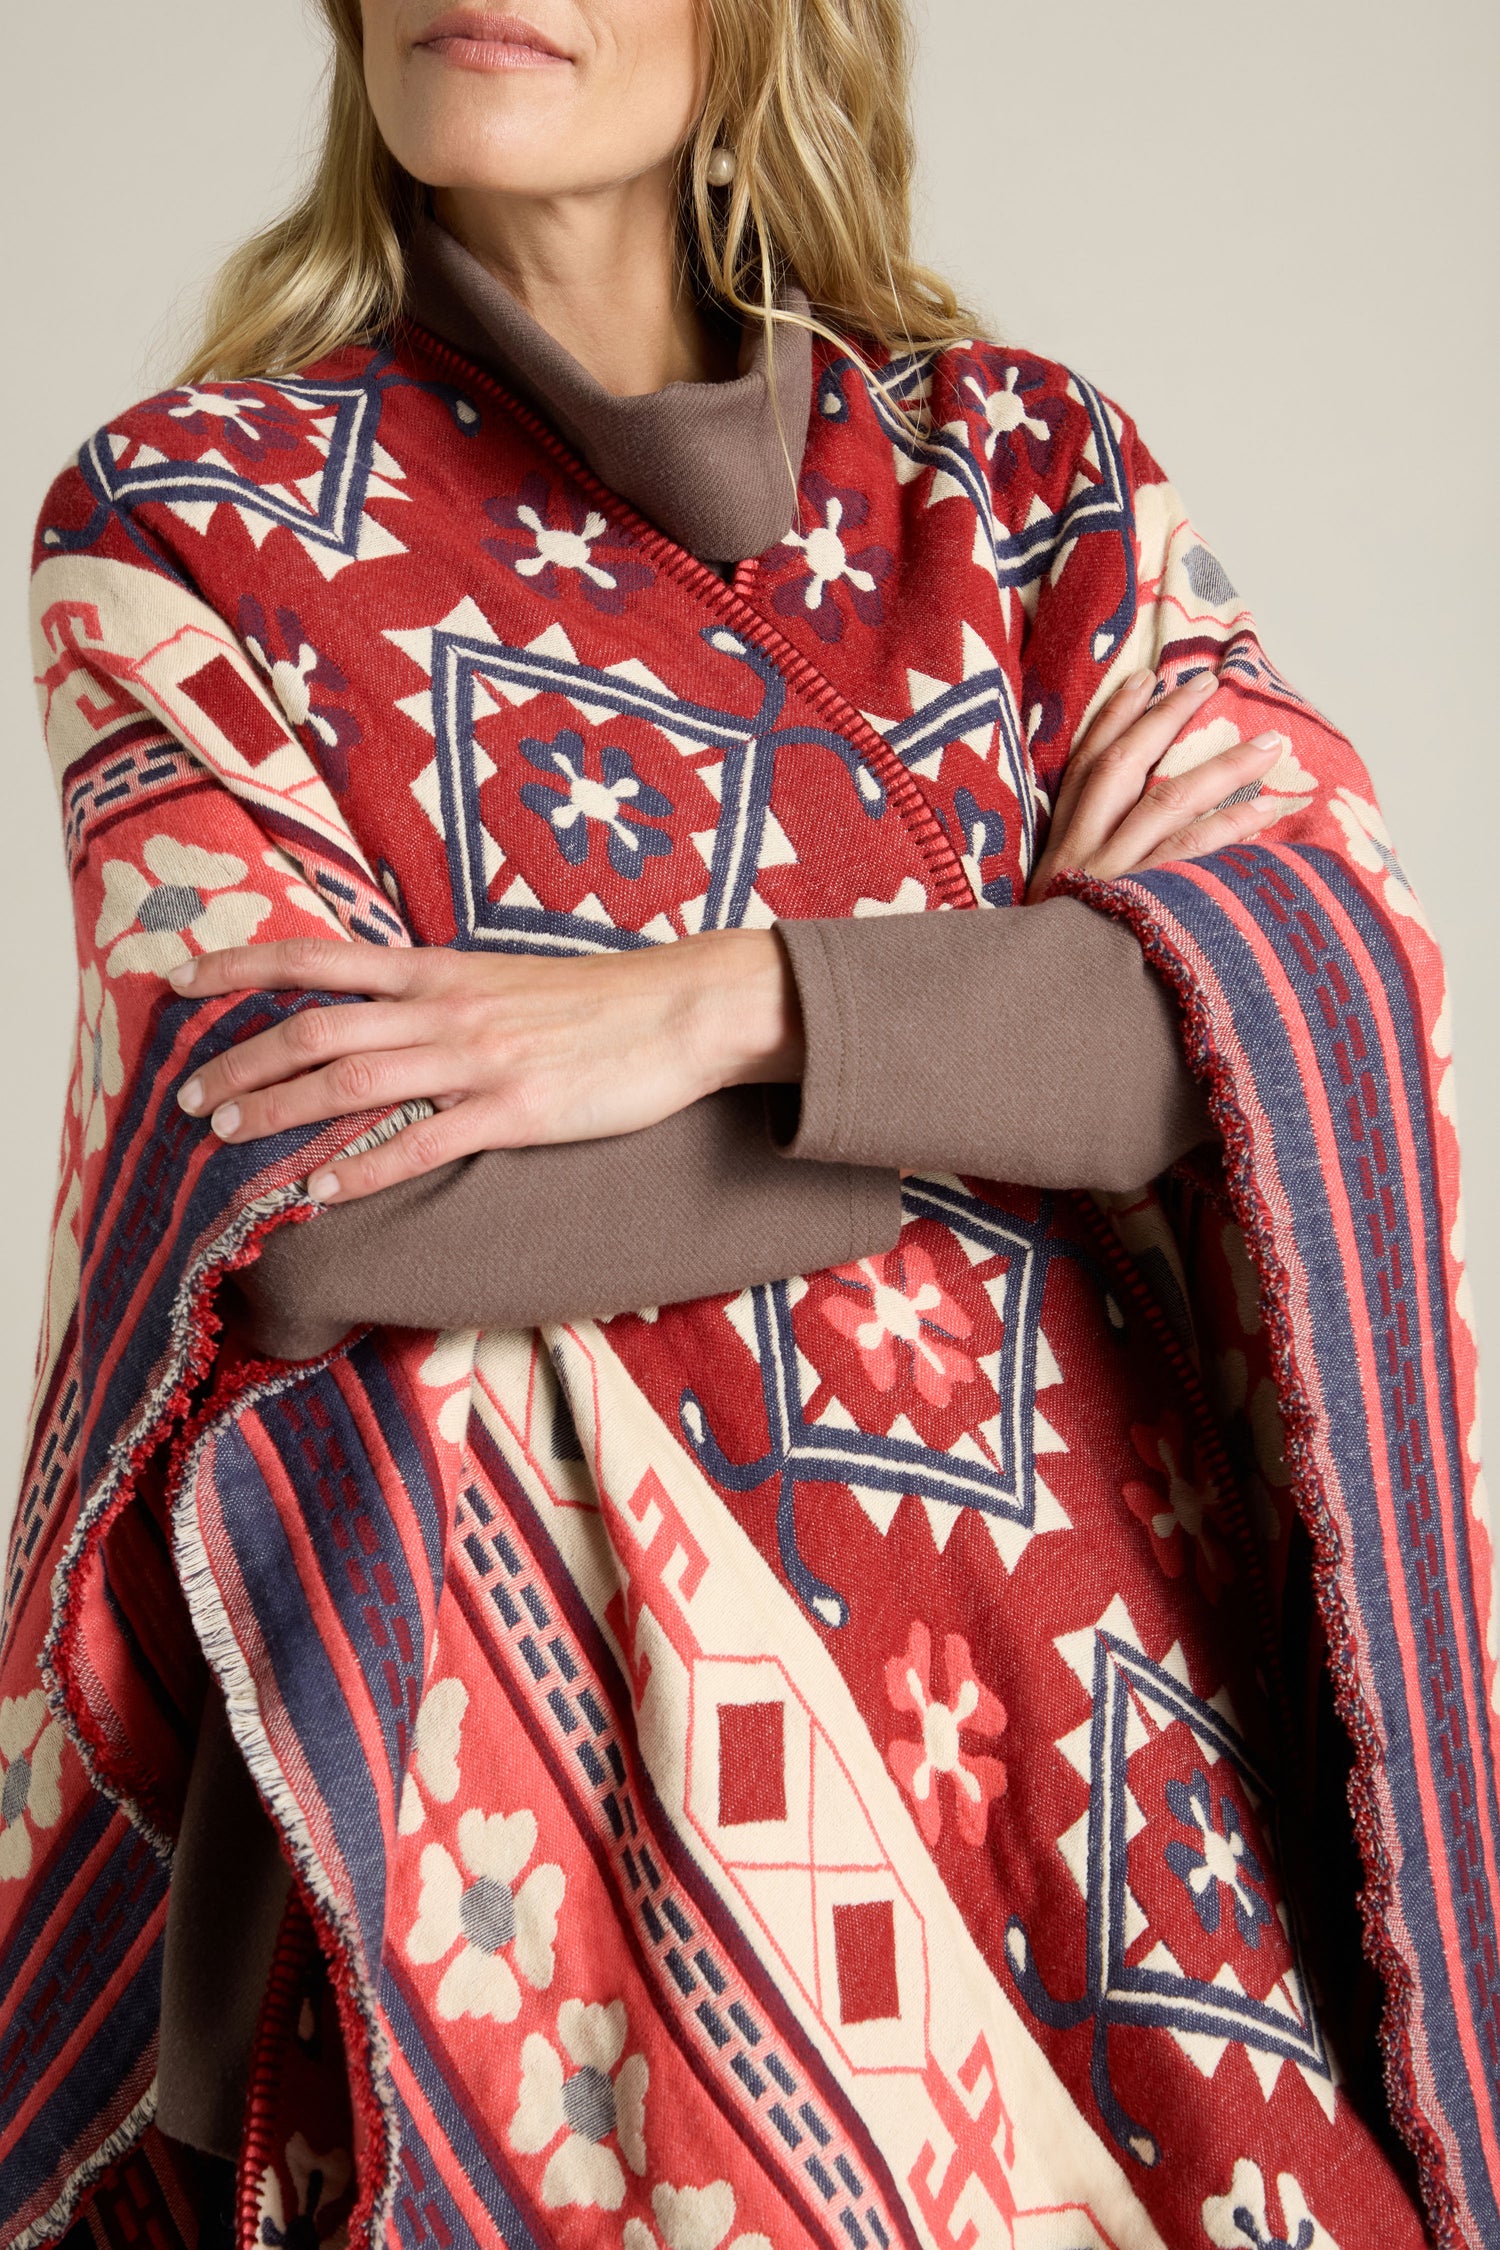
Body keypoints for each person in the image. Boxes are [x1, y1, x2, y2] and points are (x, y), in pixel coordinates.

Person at [3, 3, 1494, 2247]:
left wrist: (717, 1010)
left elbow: (1304, 983)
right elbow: (301, 1210)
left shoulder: (1023, 482)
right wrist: (1002, 1075)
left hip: (1115, 1799)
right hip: (535, 1843)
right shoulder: (188, 523)